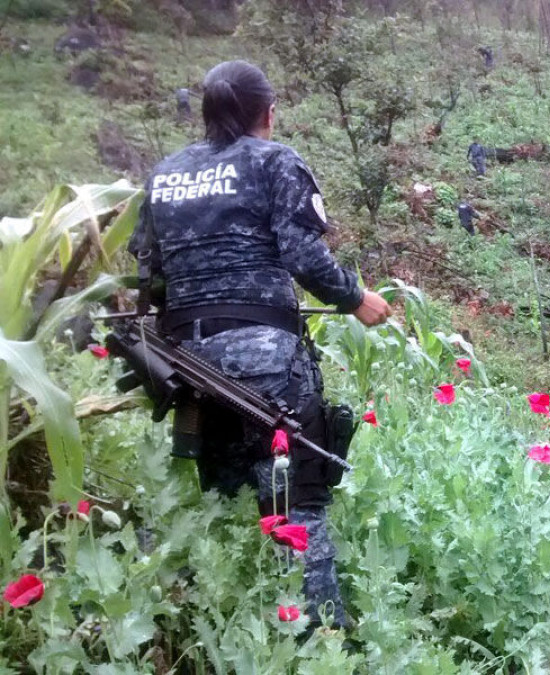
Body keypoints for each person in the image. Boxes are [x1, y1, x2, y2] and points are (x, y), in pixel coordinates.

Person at [129, 60, 391, 629]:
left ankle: (226, 624)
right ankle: (323, 641)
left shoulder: (166, 174)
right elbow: (303, 257)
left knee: (225, 493)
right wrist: (356, 298)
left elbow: (148, 275)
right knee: (300, 498)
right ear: (267, 113)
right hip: (264, 359)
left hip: (186, 363)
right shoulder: (275, 161)